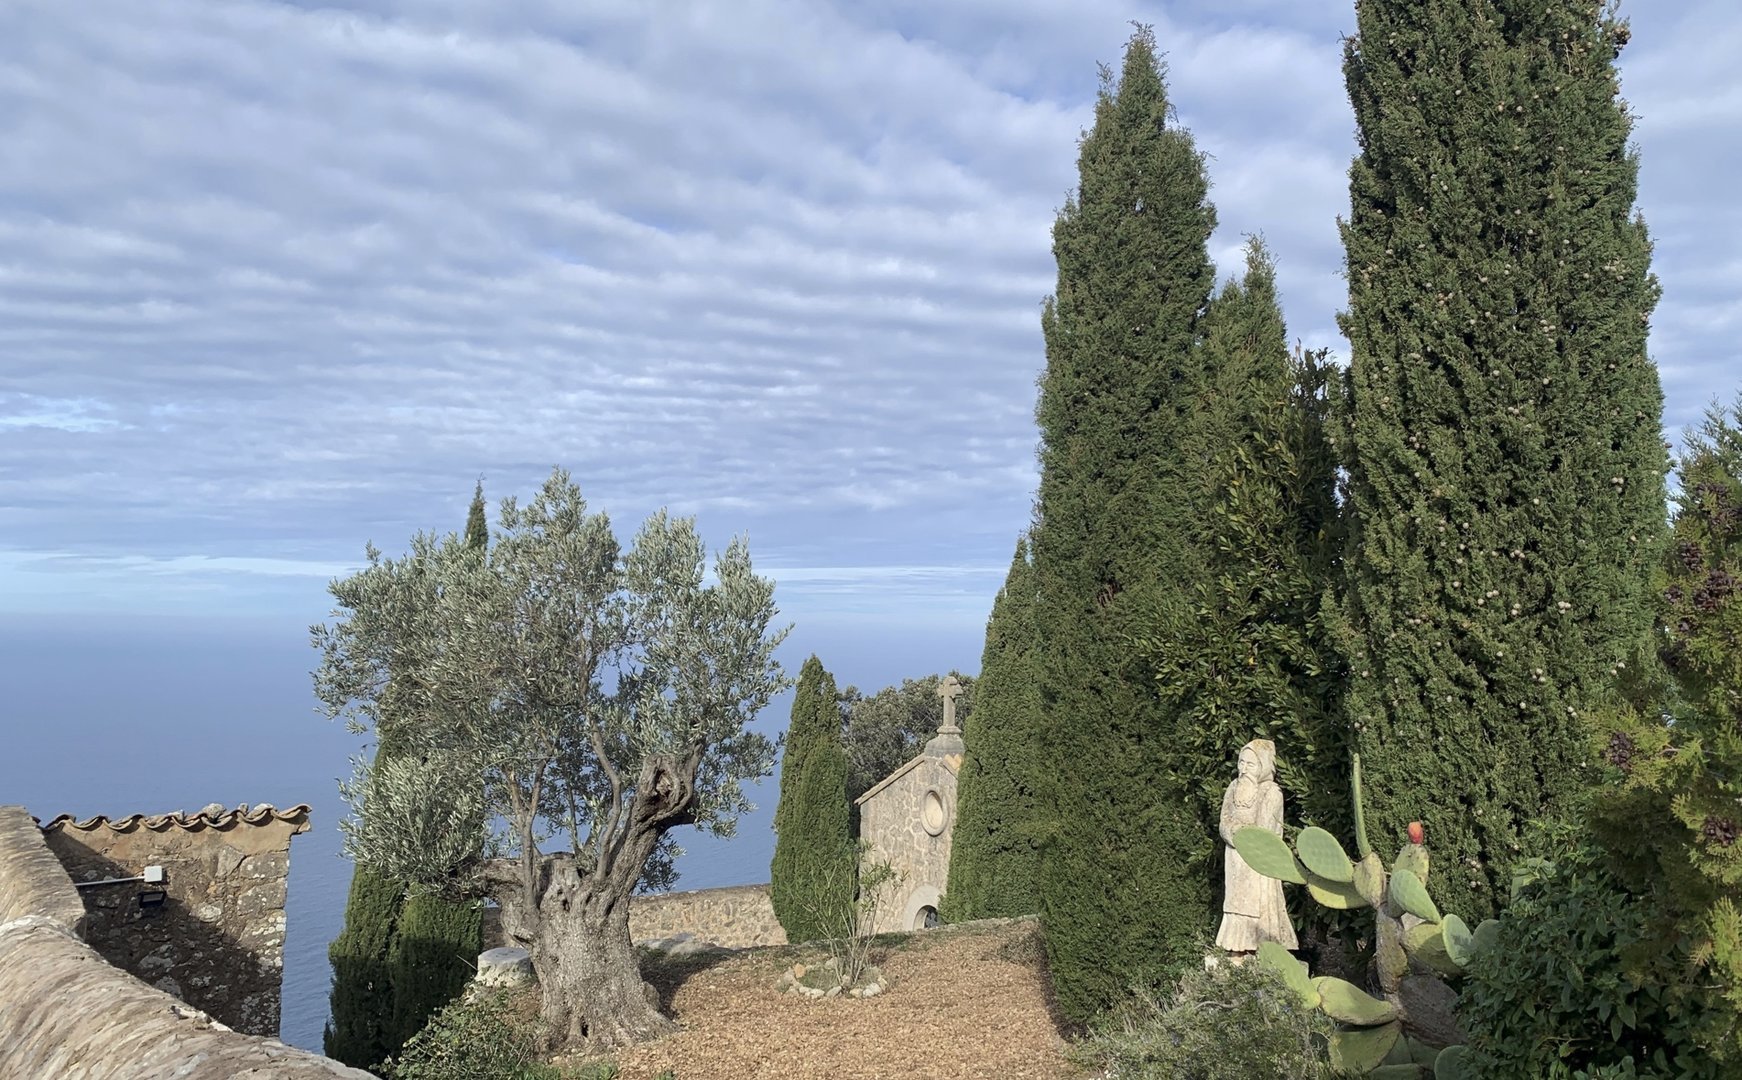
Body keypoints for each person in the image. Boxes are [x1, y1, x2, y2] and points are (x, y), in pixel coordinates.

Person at [1215, 738, 1297, 952]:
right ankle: (1236, 947)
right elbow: (1224, 820)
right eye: (1241, 762)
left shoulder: (1271, 792)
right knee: (1236, 900)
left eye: (1250, 764)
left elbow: (1263, 829)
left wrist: (1246, 837)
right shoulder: (1233, 787)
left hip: (1259, 860)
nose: (1243, 769)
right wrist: (1234, 833)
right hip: (1234, 856)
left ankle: (1264, 948)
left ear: (1263, 766)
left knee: (1259, 902)